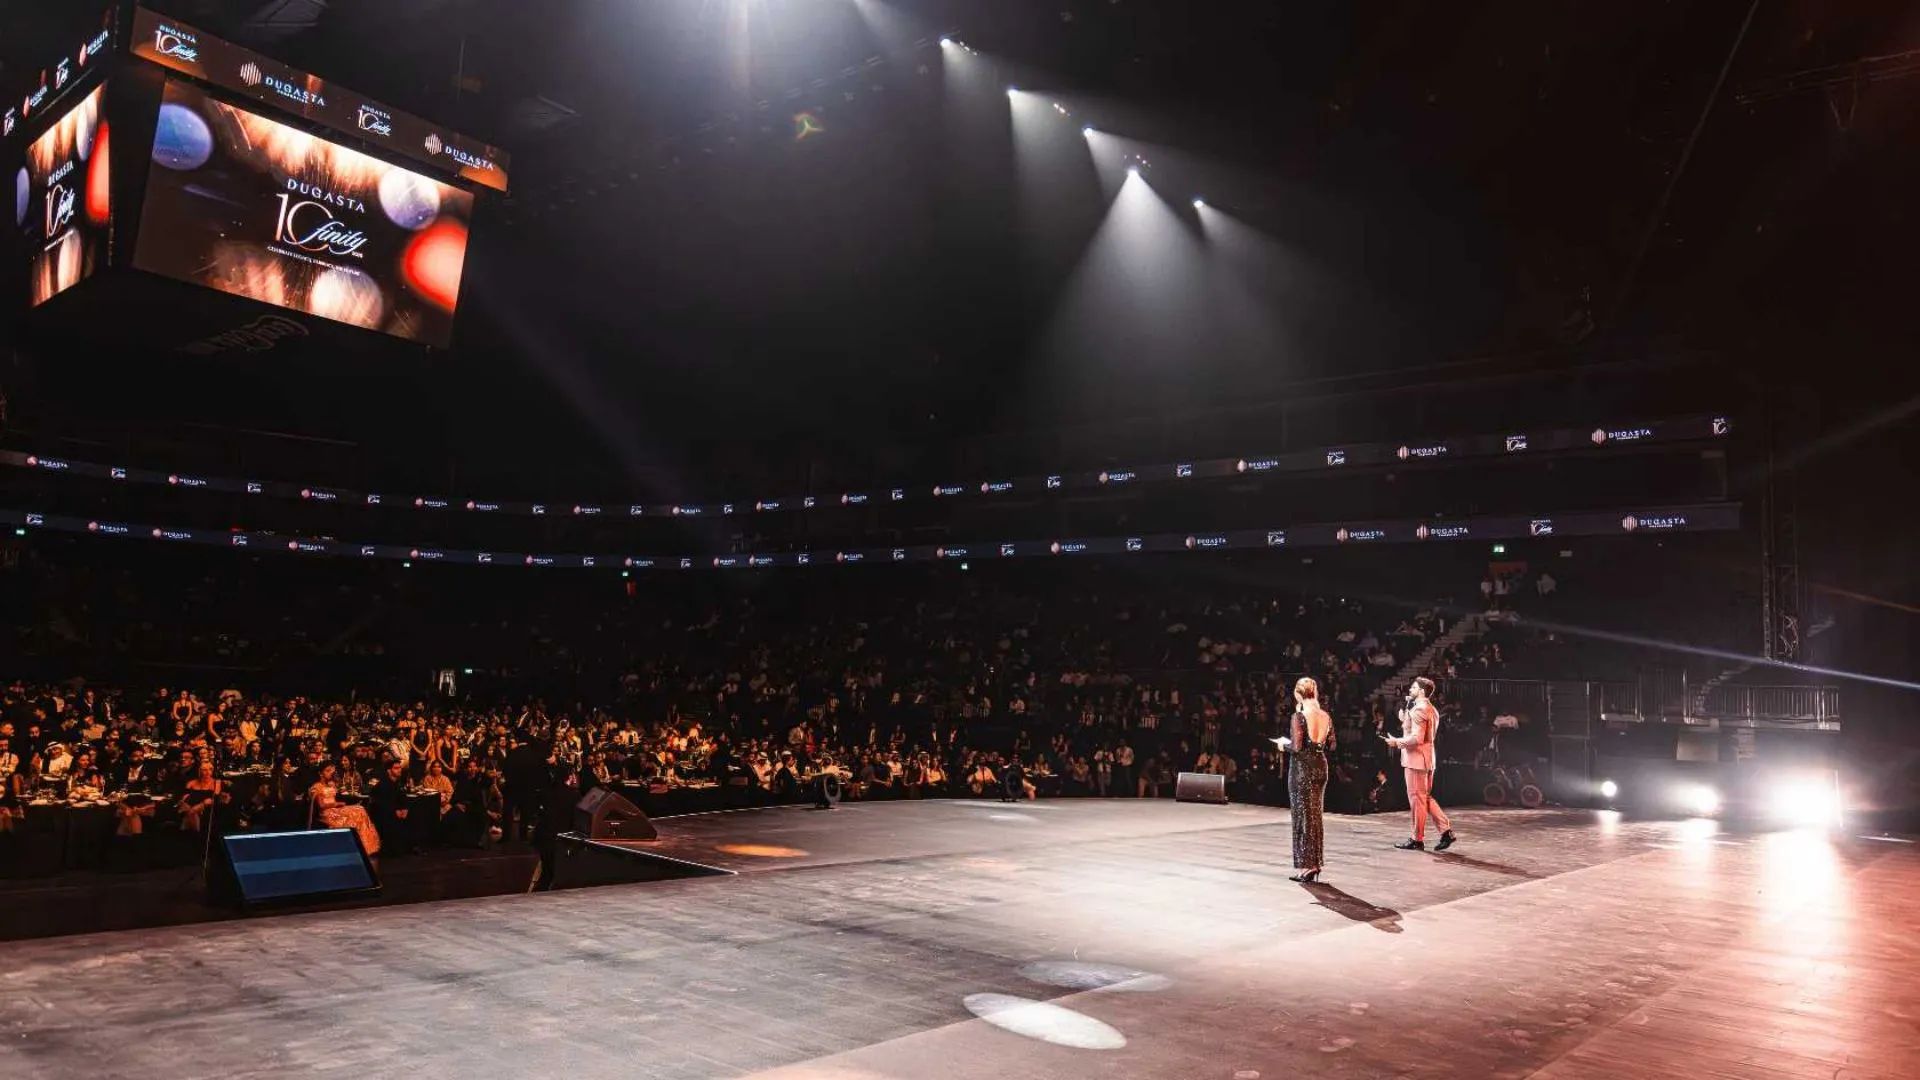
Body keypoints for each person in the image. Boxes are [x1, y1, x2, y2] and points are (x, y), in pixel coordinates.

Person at [1383, 676, 1454, 851]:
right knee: (1425, 798)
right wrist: (1406, 713)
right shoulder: (1431, 709)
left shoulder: (1419, 710)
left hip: (1416, 760)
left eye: (1413, 688)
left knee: (1417, 800)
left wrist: (1397, 742)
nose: (1410, 690)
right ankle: (1446, 831)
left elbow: (1416, 738)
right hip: (1428, 759)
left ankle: (1417, 839)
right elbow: (1414, 728)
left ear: (1422, 691)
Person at [1274, 676, 1332, 882]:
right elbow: (1331, 745)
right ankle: (1315, 863)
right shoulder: (1325, 715)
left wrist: (1283, 745)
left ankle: (1306, 866)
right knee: (1315, 817)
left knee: (1301, 817)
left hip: (1302, 769)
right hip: (1320, 767)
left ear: (1298, 694)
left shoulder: (1299, 716)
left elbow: (1297, 747)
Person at [309, 762, 382, 859]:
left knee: (360, 809)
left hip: (336, 810)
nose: (330, 773)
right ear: (320, 773)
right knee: (356, 813)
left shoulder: (331, 784)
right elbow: (321, 805)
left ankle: (367, 846)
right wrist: (336, 804)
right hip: (328, 813)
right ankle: (359, 847)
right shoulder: (317, 786)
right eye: (327, 771)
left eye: (331, 771)